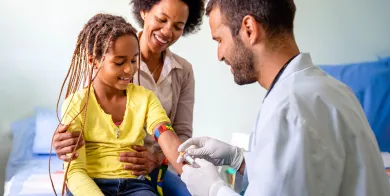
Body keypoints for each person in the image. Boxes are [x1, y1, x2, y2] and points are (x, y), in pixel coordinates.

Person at [177, 0, 390, 196]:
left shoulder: (289, 108)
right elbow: (305, 174)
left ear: (249, 29)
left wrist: (213, 190)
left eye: (220, 40)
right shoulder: (334, 89)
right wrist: (240, 160)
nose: (220, 54)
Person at [52, 0, 205, 195]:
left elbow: (173, 133)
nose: (129, 69)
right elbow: (75, 169)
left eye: (177, 26)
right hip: (92, 181)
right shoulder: (81, 98)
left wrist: (204, 182)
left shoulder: (154, 91)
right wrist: (62, 139)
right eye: (162, 19)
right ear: (144, 11)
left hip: (145, 174)